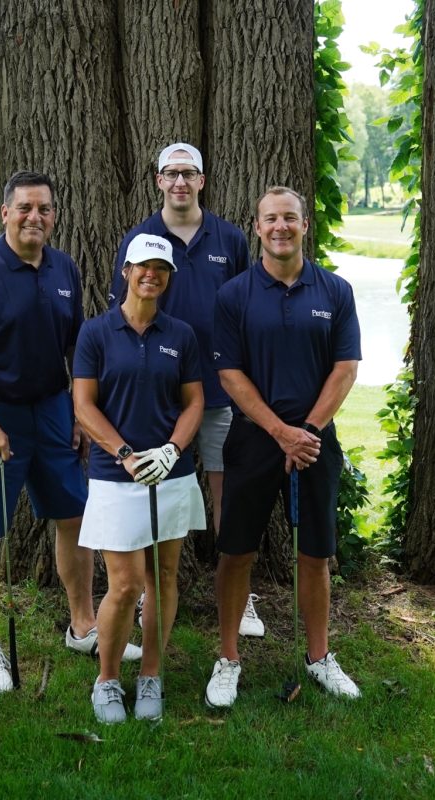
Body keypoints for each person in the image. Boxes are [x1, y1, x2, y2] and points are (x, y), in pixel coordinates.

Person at [0, 170, 140, 694]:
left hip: (52, 411)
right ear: (4, 212)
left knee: (74, 517)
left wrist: (78, 412)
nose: (34, 217)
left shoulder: (64, 268)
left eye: (44, 208)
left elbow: (78, 349)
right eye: (24, 207)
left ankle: (83, 625)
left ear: (54, 216)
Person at [204, 186, 363, 708]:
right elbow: (230, 375)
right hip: (254, 439)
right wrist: (280, 433)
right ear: (257, 227)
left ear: (304, 225)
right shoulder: (234, 295)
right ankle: (228, 659)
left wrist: (307, 432)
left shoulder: (335, 291)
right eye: (270, 219)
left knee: (315, 554)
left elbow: (345, 369)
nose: (280, 227)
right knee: (236, 553)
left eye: (290, 218)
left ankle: (319, 657)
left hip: (314, 442)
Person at [110, 142, 266, 638]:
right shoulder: (139, 238)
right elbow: (122, 316)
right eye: (171, 173)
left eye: (189, 173)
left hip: (220, 392)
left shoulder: (230, 239)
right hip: (159, 396)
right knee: (151, 491)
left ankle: (239, 598)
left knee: (228, 496)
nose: (180, 182)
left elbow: (248, 312)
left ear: (202, 180)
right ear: (158, 180)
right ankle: (146, 592)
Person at [74, 233, 206, 723]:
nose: (152, 274)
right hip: (116, 475)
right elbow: (84, 405)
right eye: (143, 266)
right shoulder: (96, 333)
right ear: (126, 271)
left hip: (171, 472)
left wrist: (172, 449)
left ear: (169, 276)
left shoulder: (182, 335)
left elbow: (194, 402)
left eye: (161, 268)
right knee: (127, 584)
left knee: (164, 577)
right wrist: (126, 454)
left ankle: (151, 673)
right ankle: (107, 680)